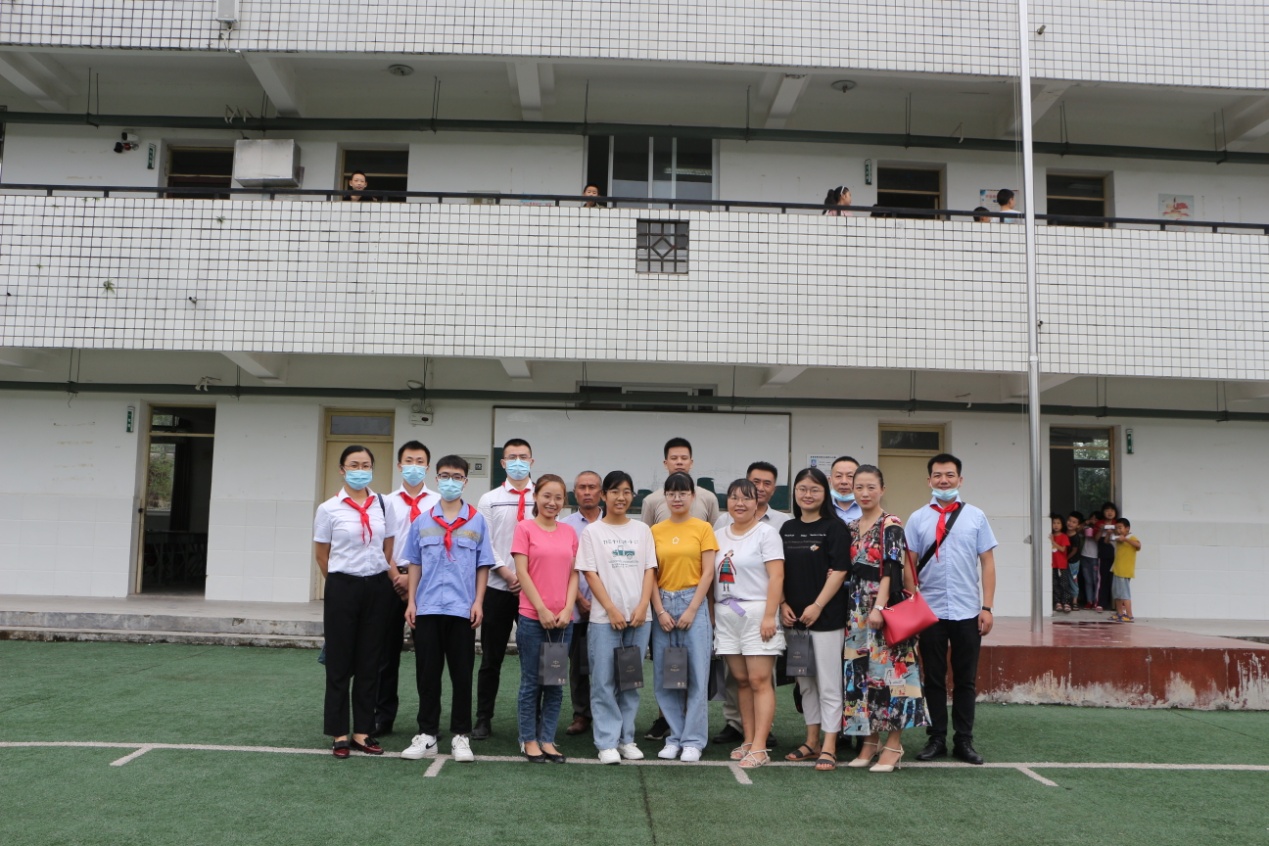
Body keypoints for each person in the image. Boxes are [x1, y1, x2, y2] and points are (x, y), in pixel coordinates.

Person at [398, 455, 494, 764]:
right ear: (436, 479)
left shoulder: (477, 520)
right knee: (427, 675)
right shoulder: (422, 521)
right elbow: (414, 563)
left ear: (465, 481)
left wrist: (478, 602)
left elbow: (483, 565)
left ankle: (461, 735)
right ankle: (427, 734)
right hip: (427, 608)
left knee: (462, 675)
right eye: (444, 475)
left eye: (456, 476)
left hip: (461, 610)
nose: (450, 481)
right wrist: (412, 601)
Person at [908, 453, 997, 766]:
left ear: (960, 479)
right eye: (937, 475)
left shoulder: (976, 516)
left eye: (949, 475)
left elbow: (987, 563)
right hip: (930, 612)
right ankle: (936, 738)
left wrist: (987, 607)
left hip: (967, 610)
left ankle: (963, 740)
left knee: (965, 680)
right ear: (929, 480)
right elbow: (909, 564)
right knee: (932, 678)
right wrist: (912, 603)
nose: (943, 480)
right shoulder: (917, 518)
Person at [841, 464, 927, 773]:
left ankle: (893, 745)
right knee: (862, 676)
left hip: (884, 608)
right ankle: (870, 741)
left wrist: (879, 607)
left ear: (882, 490)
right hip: (856, 610)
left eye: (871, 487)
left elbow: (892, 568)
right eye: (859, 487)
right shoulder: (852, 526)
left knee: (892, 677)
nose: (864, 493)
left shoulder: (891, 524)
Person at [313, 445, 397, 759]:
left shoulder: (384, 505)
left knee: (370, 661)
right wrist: (342, 582)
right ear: (342, 470)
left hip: (376, 586)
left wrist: (373, 575)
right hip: (342, 587)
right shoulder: (328, 509)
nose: (360, 470)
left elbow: (388, 545)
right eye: (353, 465)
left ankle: (363, 732)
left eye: (365, 465)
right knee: (339, 662)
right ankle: (339, 733)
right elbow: (321, 555)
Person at [576, 470, 657, 764]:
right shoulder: (592, 532)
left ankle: (626, 739)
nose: (620, 497)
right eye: (614, 492)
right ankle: (606, 741)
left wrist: (643, 606)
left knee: (630, 680)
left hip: (639, 619)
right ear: (604, 496)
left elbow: (649, 569)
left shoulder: (642, 530)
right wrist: (610, 608)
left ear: (632, 495)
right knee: (603, 680)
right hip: (604, 619)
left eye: (626, 492)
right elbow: (590, 573)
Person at [779, 467, 852, 771]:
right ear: (795, 492)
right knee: (805, 684)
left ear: (825, 493)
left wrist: (818, 605)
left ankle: (830, 745)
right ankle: (811, 742)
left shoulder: (835, 528)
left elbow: (840, 570)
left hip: (825, 618)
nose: (807, 495)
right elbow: (777, 571)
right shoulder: (787, 528)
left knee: (828, 684)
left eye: (814, 489)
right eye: (802, 489)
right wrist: (782, 603)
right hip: (794, 620)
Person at [712, 461, 789, 747]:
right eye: (734, 497)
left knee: (759, 680)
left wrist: (770, 616)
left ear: (757, 502)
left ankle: (759, 745)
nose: (740, 503)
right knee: (741, 681)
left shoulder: (766, 533)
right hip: (726, 615)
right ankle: (747, 739)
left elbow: (777, 576)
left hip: (757, 613)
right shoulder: (718, 535)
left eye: (746, 498)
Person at [649, 472, 718, 762]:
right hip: (663, 604)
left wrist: (692, 609)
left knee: (697, 677)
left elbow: (708, 572)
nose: (677, 498)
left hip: (694, 604)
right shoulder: (655, 531)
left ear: (693, 496)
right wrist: (660, 611)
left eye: (683, 493)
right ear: (665, 496)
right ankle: (674, 737)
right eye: (672, 493)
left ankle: (693, 740)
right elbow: (650, 574)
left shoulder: (703, 528)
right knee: (666, 677)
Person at [511, 473, 579, 763]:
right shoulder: (524, 528)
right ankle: (529, 739)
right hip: (532, 619)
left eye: (558, 497)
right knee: (531, 683)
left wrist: (567, 609)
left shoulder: (569, 532)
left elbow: (575, 574)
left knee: (554, 683)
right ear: (536, 497)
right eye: (547, 496)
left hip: (563, 622)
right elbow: (522, 572)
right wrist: (540, 609)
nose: (552, 502)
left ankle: (547, 739)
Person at [377, 440, 438, 736]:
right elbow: (380, 544)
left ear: (428, 466)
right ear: (400, 465)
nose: (414, 466)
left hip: (426, 583)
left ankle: (428, 721)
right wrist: (396, 576)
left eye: (420, 461)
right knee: (385, 655)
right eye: (409, 461)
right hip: (391, 580)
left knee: (428, 656)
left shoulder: (438, 502)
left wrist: (415, 578)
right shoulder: (385, 502)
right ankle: (382, 716)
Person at [471, 438, 531, 740]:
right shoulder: (489, 499)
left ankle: (534, 718)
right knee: (491, 659)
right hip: (497, 587)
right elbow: (485, 542)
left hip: (532, 591)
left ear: (532, 461)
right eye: (512, 457)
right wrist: (507, 574)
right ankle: (484, 718)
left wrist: (526, 577)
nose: (518, 462)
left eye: (523, 457)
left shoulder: (543, 495)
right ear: (503, 463)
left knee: (535, 658)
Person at [561, 471, 602, 737]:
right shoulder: (565, 526)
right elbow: (563, 568)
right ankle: (581, 714)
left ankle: (608, 712)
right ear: (574, 492)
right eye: (582, 487)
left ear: (601, 492)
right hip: (575, 608)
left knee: (607, 664)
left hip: (608, 609)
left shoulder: (612, 523)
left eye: (592, 487)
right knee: (578, 665)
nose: (587, 492)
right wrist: (580, 599)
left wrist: (600, 602)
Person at [641, 437, 721, 526]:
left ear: (691, 463)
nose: (679, 462)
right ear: (665, 464)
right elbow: (645, 533)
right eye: (674, 458)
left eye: (684, 458)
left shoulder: (709, 498)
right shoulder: (651, 501)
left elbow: (716, 532)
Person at [1110, 517, 1141, 623]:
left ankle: (1130, 615)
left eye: (1120, 528)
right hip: (1117, 569)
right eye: (1116, 528)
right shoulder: (1118, 539)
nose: (1118, 530)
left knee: (1124, 594)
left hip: (1124, 571)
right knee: (1117, 594)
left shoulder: (1131, 537)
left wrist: (1126, 539)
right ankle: (1120, 613)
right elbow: (1107, 541)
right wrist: (1110, 534)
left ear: (1127, 528)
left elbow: (1138, 545)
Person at [1094, 501, 1120, 611]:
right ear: (1103, 512)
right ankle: (1101, 603)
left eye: (1112, 510)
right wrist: (1101, 529)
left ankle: (1118, 605)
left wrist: (1115, 529)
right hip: (1104, 553)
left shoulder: (1117, 523)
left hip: (1117, 554)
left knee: (1116, 579)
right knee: (1103, 578)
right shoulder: (1099, 523)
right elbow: (1096, 539)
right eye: (1107, 510)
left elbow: (1121, 536)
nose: (1110, 512)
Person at [1050, 514, 1073, 613]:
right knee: (1055, 584)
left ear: (1062, 525)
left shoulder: (1064, 536)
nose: (1056, 525)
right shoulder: (1050, 536)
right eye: (1054, 523)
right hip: (1053, 565)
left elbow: (1063, 549)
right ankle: (1057, 602)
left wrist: (1053, 542)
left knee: (1064, 584)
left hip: (1062, 565)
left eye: (1058, 523)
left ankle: (1066, 602)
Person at [830, 456, 862, 523]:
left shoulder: (868, 510)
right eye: (838, 476)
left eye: (850, 476)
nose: (844, 482)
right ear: (830, 480)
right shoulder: (822, 510)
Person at [1064, 511, 1085, 611]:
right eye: (1069, 520)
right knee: (1065, 580)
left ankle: (1075, 601)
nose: (1070, 523)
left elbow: (1074, 550)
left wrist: (1065, 559)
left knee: (1073, 580)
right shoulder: (1064, 533)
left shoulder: (1076, 537)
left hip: (1073, 562)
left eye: (1074, 522)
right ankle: (1067, 600)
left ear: (1078, 525)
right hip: (1065, 561)